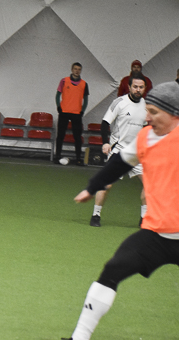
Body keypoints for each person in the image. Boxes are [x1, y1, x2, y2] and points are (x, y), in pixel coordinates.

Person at [62, 81, 179, 340]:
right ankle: (79, 337)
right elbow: (120, 162)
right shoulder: (146, 137)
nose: (147, 118)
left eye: (154, 112)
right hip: (156, 235)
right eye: (147, 111)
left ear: (174, 114)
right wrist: (93, 186)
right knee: (113, 269)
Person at [89, 74, 147, 227]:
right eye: (135, 86)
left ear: (144, 88)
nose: (138, 90)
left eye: (141, 87)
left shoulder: (147, 106)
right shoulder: (120, 103)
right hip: (119, 151)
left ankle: (144, 219)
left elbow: (148, 128)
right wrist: (105, 143)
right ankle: (96, 215)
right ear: (129, 87)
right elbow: (105, 123)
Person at [54, 63, 89, 165]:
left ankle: (78, 158)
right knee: (60, 135)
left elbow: (86, 100)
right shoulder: (64, 81)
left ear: (80, 71)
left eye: (79, 69)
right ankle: (57, 156)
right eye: (75, 69)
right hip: (64, 112)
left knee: (77, 137)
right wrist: (59, 107)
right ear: (72, 69)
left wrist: (82, 111)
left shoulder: (84, 84)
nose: (77, 71)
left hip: (76, 113)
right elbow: (57, 95)